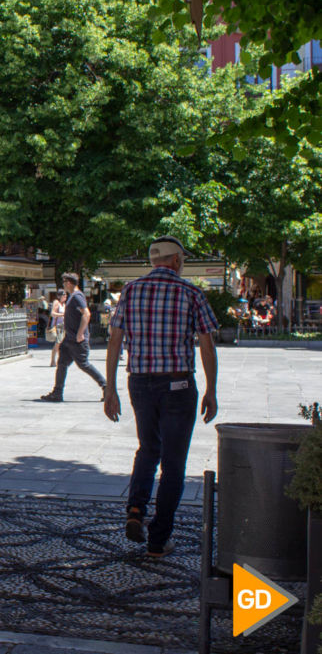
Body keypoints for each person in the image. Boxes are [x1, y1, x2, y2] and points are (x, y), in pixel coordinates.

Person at [103, 236, 218, 558]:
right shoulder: (190, 292)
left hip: (139, 382)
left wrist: (109, 389)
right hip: (178, 385)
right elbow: (207, 344)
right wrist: (211, 389)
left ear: (154, 261)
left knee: (148, 448)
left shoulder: (131, 290)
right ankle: (159, 538)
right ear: (177, 260)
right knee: (174, 462)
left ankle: (136, 509)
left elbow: (114, 340)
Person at [40, 273, 106, 402]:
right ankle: (57, 393)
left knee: (84, 364)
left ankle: (106, 386)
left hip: (77, 340)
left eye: (64, 282)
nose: (63, 285)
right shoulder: (72, 297)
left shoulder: (77, 296)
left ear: (69, 283)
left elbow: (86, 314)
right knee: (62, 364)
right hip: (69, 339)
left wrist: (80, 333)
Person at [48, 289, 66, 367]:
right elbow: (52, 313)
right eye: (64, 295)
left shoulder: (64, 304)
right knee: (58, 344)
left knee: (60, 344)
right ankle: (53, 361)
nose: (65, 296)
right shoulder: (56, 302)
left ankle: (59, 360)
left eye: (66, 295)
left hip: (63, 326)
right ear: (59, 296)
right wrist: (62, 315)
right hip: (58, 326)